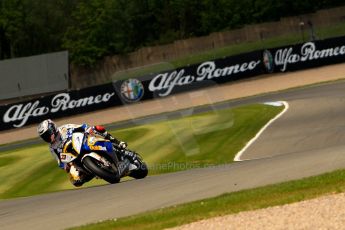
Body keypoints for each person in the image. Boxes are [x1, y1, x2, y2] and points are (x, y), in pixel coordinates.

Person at [37, 119, 134, 187]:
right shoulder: (52, 148)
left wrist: (88, 130)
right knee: (75, 181)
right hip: (74, 158)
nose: (46, 138)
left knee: (97, 128)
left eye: (47, 134)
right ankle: (96, 171)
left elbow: (82, 126)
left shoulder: (65, 128)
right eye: (44, 136)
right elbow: (60, 162)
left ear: (52, 129)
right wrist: (66, 166)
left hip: (83, 143)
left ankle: (117, 142)